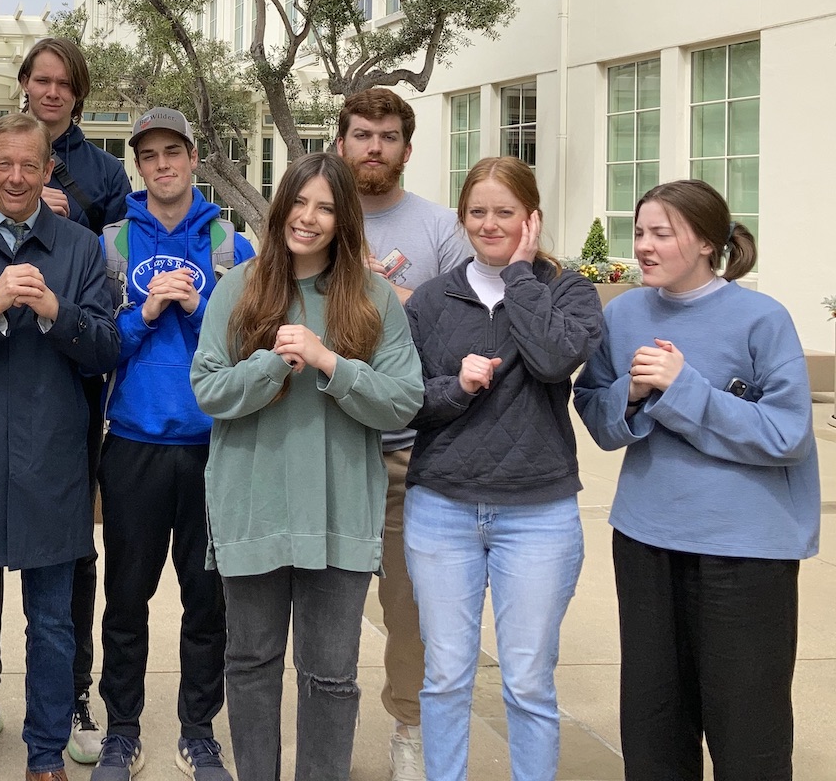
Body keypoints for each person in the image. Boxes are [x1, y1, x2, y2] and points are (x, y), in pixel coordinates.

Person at [574, 180, 817, 781]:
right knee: (654, 725)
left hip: (745, 552)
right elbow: (596, 411)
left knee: (747, 727)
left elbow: (787, 436)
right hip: (646, 541)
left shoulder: (763, 318)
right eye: (639, 233)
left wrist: (684, 389)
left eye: (662, 234)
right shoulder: (625, 312)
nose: (644, 247)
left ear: (708, 243)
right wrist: (628, 393)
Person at [191, 153, 423, 781]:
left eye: (325, 206)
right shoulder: (241, 287)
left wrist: (329, 362)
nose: (309, 218)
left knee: (331, 676)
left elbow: (404, 399)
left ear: (344, 218)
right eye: (299, 202)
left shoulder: (374, 298)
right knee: (251, 664)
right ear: (280, 206)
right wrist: (273, 363)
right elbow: (207, 389)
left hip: (338, 512)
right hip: (253, 507)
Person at [0, 36, 128, 765]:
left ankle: (47, 754)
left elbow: (108, 348)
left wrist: (56, 312)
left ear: (52, 170)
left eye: (31, 166)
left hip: (52, 457)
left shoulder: (78, 251)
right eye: (3, 165)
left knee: (51, 623)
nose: (17, 177)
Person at [401, 157, 602, 781]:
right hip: (443, 508)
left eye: (506, 213)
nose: (491, 224)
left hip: (537, 513)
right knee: (445, 675)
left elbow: (553, 360)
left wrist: (520, 274)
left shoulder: (567, 289)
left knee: (529, 682)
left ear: (531, 218)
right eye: (479, 212)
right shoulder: (433, 299)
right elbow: (406, 400)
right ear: (462, 217)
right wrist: (456, 388)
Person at [92, 108, 253, 781]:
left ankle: (198, 730)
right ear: (138, 165)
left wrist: (201, 306)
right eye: (149, 155)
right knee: (126, 598)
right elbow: (95, 342)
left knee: (207, 601)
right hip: (132, 444)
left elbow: (252, 343)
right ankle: (121, 732)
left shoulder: (230, 244)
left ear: (193, 159)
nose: (162, 165)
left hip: (213, 448)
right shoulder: (111, 244)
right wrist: (145, 313)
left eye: (173, 152)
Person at [334, 86, 466, 781]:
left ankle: (410, 728)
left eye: (387, 137)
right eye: (362, 135)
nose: (374, 147)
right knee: (322, 607)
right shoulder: (315, 218)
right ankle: (327, 734)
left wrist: (386, 298)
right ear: (341, 144)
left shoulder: (441, 228)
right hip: (328, 448)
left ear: (406, 150)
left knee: (410, 607)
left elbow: (461, 328)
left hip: (409, 451)